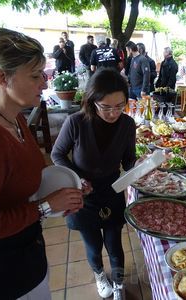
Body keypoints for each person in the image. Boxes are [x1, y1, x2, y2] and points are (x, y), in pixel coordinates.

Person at [0, 28, 83, 300]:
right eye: (35, 76)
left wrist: (67, 189)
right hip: (3, 274)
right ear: (1, 77)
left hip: (27, 252)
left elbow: (19, 180)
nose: (45, 83)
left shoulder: (13, 118)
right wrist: (47, 205)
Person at [51, 68, 136, 300]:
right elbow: (57, 154)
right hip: (81, 194)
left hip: (111, 190)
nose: (113, 113)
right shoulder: (76, 122)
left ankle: (118, 283)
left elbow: (128, 160)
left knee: (114, 242)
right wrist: (76, 179)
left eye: (120, 106)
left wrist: (142, 167)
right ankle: (99, 275)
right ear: (92, 101)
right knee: (93, 244)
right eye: (106, 107)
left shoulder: (127, 124)